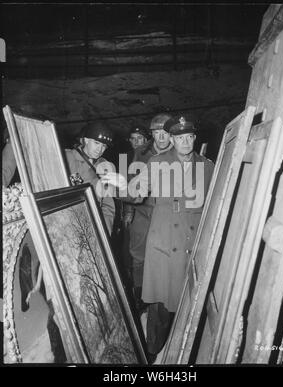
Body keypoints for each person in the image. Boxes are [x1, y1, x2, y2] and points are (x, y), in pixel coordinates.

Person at [102, 115, 214, 362]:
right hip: (164, 243)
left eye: (189, 137)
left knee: (191, 303)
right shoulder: (157, 162)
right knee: (162, 305)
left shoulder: (207, 166)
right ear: (172, 140)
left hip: (193, 243)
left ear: (194, 138)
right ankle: (151, 354)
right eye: (179, 138)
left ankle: (183, 351)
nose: (185, 142)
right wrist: (123, 185)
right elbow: (137, 191)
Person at [122, 114, 173, 315]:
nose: (161, 137)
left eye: (165, 132)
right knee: (138, 256)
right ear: (151, 134)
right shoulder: (140, 152)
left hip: (167, 215)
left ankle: (162, 299)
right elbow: (130, 185)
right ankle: (140, 297)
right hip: (142, 212)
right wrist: (128, 211)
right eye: (156, 132)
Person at [65, 121, 115, 235]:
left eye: (104, 146)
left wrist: (105, 233)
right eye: (96, 143)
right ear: (86, 140)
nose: (100, 149)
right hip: (69, 223)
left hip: (93, 226)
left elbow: (108, 205)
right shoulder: (67, 157)